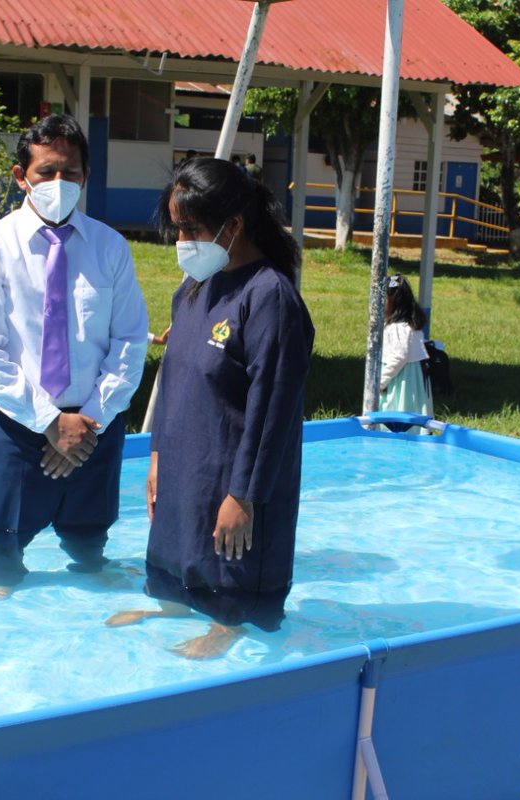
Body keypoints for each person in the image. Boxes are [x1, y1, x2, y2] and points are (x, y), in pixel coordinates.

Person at [107, 157, 314, 659]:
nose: (182, 241)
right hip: (186, 462)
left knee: (231, 559)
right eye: (176, 229)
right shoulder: (192, 290)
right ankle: (175, 605)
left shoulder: (269, 298)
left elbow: (273, 411)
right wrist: (157, 457)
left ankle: (230, 625)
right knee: (180, 548)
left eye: (191, 228)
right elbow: (175, 378)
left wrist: (242, 496)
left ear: (234, 225)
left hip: (234, 476)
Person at [0, 114, 149, 599]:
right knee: (0, 560)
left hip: (95, 428)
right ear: (22, 176)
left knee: (90, 551)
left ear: (86, 176)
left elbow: (130, 339)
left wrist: (88, 421)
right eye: (47, 171)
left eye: (71, 173)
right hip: (17, 426)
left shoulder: (109, 248)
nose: (59, 183)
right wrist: (49, 422)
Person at [379, 273, 433, 430]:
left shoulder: (399, 328)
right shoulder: (408, 324)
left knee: (398, 413)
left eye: (383, 298)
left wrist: (380, 383)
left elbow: (398, 358)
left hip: (402, 379)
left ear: (395, 302)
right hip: (409, 376)